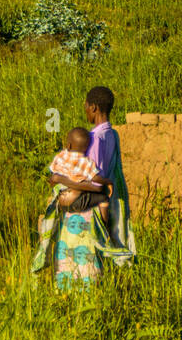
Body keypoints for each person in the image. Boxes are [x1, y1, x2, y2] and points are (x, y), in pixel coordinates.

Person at [32, 86, 135, 289]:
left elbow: (91, 180)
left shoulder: (94, 139)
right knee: (92, 259)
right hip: (98, 206)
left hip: (83, 211)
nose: (85, 111)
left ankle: (75, 302)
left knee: (76, 261)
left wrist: (62, 182)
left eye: (86, 107)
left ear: (94, 107)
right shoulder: (112, 135)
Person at [47, 126, 111, 214]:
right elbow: (95, 179)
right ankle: (105, 224)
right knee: (104, 198)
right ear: (86, 148)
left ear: (68, 145)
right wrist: (108, 182)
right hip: (76, 202)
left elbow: (52, 170)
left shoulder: (61, 155)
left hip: (61, 201)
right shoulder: (87, 162)